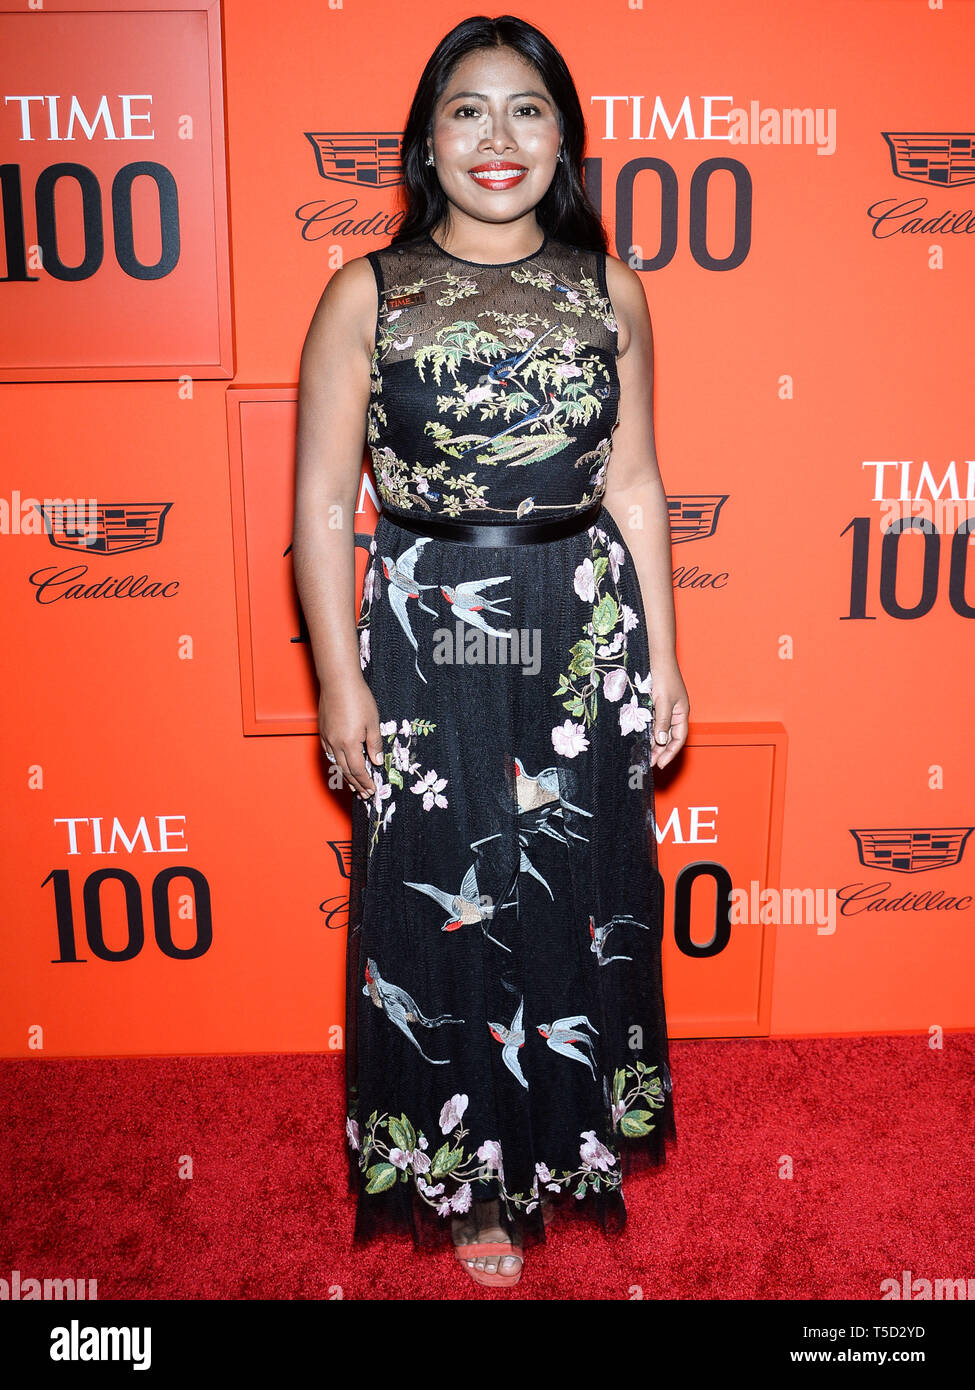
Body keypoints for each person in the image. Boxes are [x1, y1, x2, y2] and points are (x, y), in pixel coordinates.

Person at [293, 13, 689, 1290]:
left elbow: (634, 483)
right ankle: (467, 1180)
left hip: (581, 619)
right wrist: (336, 679)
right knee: (445, 903)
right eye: (468, 110)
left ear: (563, 134)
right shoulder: (370, 290)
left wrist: (668, 661)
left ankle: (565, 1144)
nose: (498, 137)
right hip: (427, 613)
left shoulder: (606, 286)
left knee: (573, 895)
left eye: (526, 109)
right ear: (426, 139)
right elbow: (316, 508)